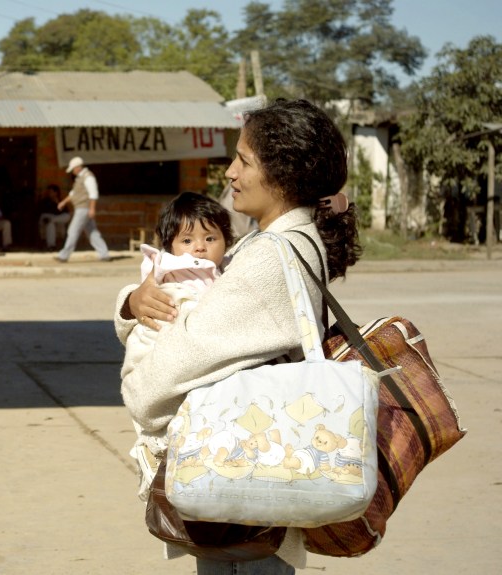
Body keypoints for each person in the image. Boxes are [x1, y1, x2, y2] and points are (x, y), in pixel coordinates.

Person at [113, 99, 362, 574]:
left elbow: (176, 364)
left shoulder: (269, 257)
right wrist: (132, 303)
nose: (230, 172)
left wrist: (139, 391)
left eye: (244, 160)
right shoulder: (282, 240)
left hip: (245, 495)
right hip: (254, 488)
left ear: (282, 176)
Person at [120, 192, 235, 499]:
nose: (199, 247)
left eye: (210, 238)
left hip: (196, 358)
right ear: (170, 245)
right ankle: (155, 449)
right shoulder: (170, 269)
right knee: (167, 409)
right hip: (161, 340)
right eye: (187, 240)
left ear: (226, 240)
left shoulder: (228, 270)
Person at [56, 156, 110, 262]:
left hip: (84, 208)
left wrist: (92, 209)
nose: (73, 172)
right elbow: (73, 194)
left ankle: (64, 255)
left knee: (73, 230)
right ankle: (104, 254)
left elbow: (93, 194)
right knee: (92, 232)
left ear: (78, 167)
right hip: (82, 208)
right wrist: (64, 202)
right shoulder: (80, 178)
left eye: (73, 169)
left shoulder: (88, 177)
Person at [37, 184, 71, 249]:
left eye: (51, 192)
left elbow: (65, 212)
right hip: (46, 216)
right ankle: (51, 245)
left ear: (56, 193)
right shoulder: (45, 201)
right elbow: (43, 211)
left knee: (67, 216)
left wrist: (57, 203)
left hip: (55, 218)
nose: (49, 193)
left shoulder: (60, 201)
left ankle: (51, 245)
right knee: (50, 223)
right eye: (49, 192)